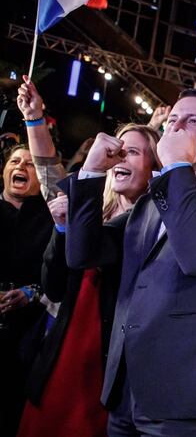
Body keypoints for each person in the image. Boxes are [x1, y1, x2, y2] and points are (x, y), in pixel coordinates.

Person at [64, 88, 196, 435]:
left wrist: (176, 166)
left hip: (187, 396)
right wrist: (92, 173)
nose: (176, 126)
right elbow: (82, 253)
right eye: (173, 119)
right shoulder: (148, 202)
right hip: (128, 389)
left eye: (193, 121)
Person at [18, 123, 161, 437]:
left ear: (154, 168)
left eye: (133, 153)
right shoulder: (86, 211)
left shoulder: (157, 229)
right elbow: (53, 286)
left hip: (105, 362)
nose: (121, 159)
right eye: (117, 152)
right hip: (62, 351)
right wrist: (61, 229)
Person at [0, 145, 51, 436]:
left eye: (30, 164)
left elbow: (61, 277)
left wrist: (32, 293)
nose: (21, 166)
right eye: (15, 161)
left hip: (28, 338)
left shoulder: (50, 220)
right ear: (5, 170)